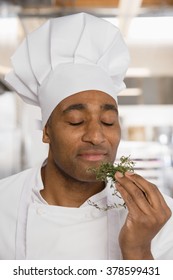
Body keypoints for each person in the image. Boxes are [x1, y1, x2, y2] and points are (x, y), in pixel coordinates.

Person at [0, 12, 173, 260]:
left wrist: (138, 250)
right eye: (76, 121)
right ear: (47, 131)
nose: (96, 136)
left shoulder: (159, 217)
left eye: (108, 121)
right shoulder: (4, 203)